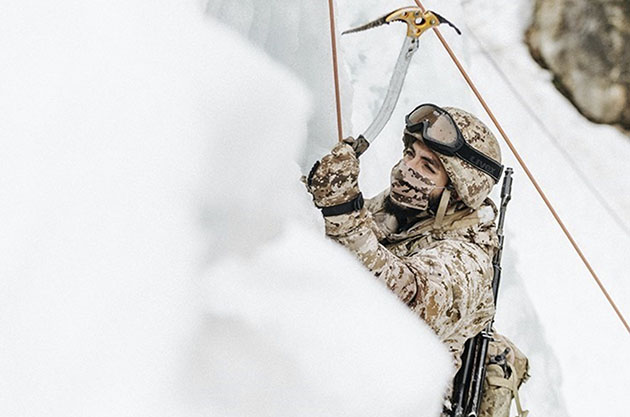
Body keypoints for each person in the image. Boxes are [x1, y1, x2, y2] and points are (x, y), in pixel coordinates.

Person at [305, 104, 528, 416]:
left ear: (458, 191)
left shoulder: (469, 262)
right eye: (410, 153)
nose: (407, 168)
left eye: (428, 166)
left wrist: (342, 210)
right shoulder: (406, 211)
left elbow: (404, 301)